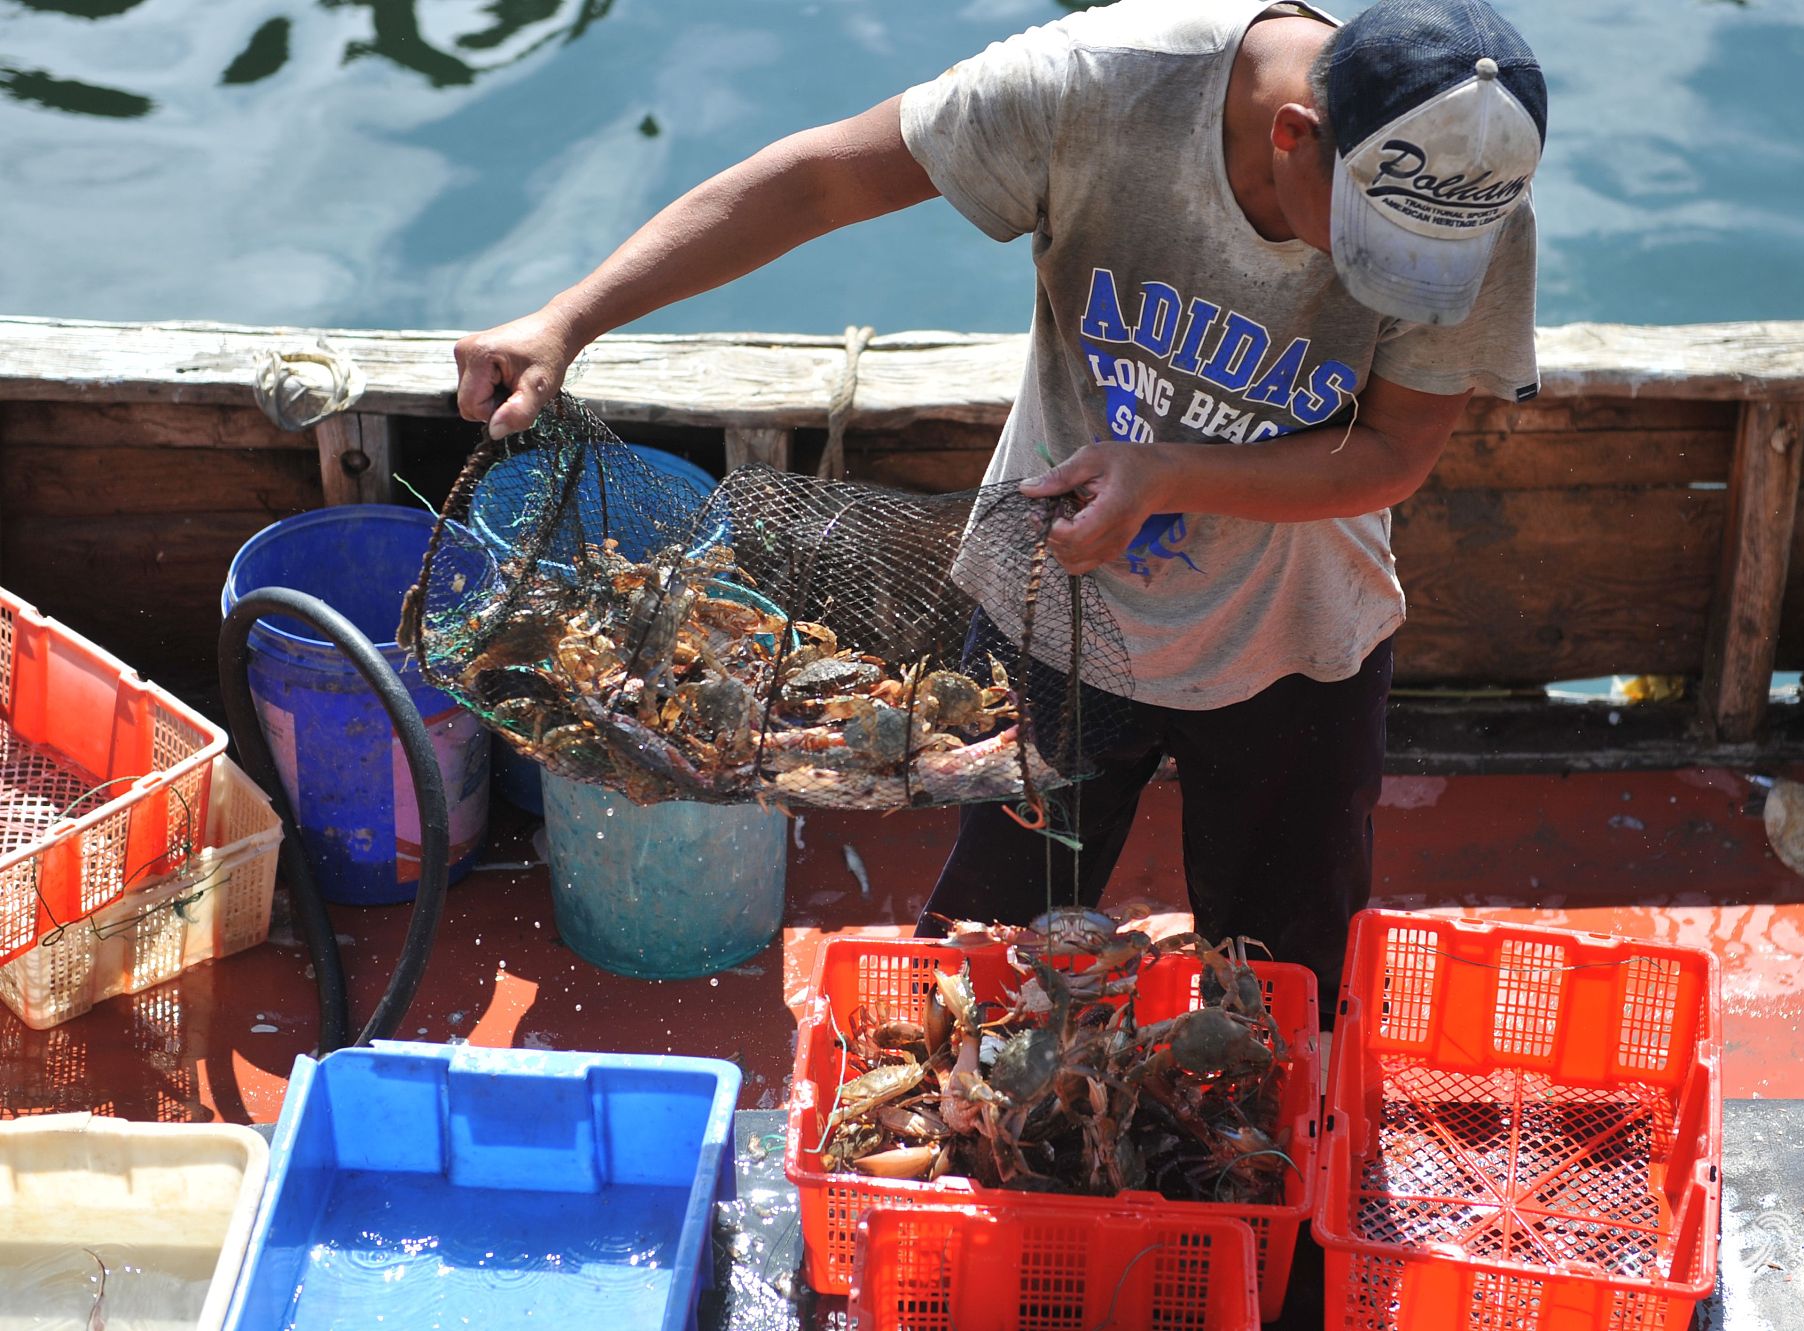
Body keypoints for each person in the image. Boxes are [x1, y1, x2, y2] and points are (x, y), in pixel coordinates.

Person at [453, 0, 1547, 1006]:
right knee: (978, 967)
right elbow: (820, 180)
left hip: (1298, 634)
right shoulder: (1097, 83)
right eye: (1369, 246)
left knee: (1285, 983)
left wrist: (1166, 474)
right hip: (1053, 600)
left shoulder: (1467, 192)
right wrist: (571, 317)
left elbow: (1396, 446)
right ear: (1294, 135)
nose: (1390, 282)